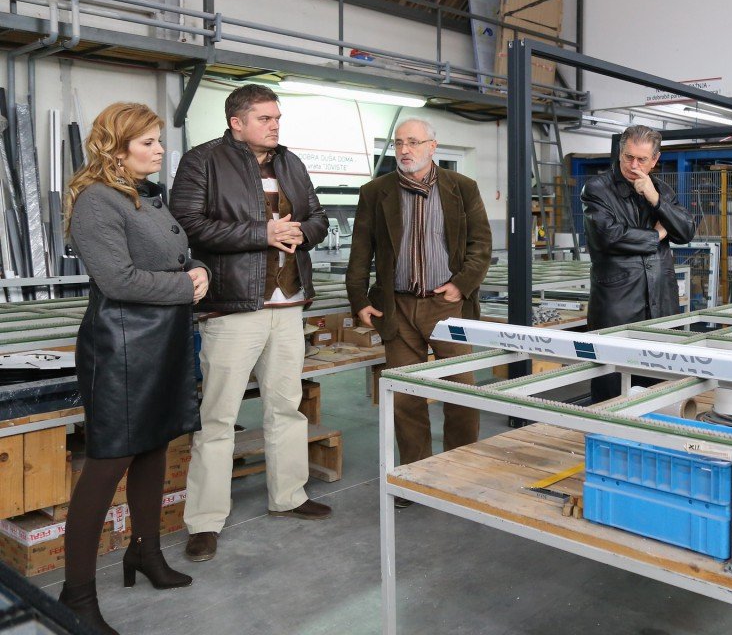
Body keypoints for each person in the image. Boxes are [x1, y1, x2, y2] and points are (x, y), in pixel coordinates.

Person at [170, 84, 331, 563]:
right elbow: (186, 225)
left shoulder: (290, 162)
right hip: (234, 307)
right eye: (264, 118)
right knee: (218, 418)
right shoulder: (203, 161)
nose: (275, 125)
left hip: (288, 305)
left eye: (277, 117)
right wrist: (261, 232)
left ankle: (289, 495)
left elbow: (319, 218)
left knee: (287, 408)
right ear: (236, 123)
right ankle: (204, 521)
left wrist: (301, 231)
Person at [62, 103, 207, 634]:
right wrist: (184, 286)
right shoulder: (96, 201)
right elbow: (118, 279)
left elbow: (172, 256)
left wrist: (197, 268)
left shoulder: (145, 196)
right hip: (121, 347)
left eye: (158, 141)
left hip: (163, 341)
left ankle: (145, 553)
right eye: (148, 142)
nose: (160, 150)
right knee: (107, 465)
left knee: (154, 448)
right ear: (116, 148)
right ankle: (76, 594)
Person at [346, 118, 491, 506]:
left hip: (447, 305)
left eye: (413, 142)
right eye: (399, 143)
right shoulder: (376, 192)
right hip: (396, 306)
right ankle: (417, 475)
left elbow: (481, 245)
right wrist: (359, 299)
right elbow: (360, 250)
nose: (405, 150)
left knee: (461, 390)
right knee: (406, 396)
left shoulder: (461, 188)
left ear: (432, 146)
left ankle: (460, 470)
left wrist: (461, 285)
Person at [581, 125, 697, 401]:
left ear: (655, 160)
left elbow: (686, 231)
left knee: (658, 386)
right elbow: (609, 236)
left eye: (641, 159)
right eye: (628, 157)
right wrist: (657, 235)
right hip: (617, 304)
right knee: (612, 387)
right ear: (620, 153)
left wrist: (656, 200)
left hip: (660, 302)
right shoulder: (597, 189)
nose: (633, 165)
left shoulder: (661, 190)